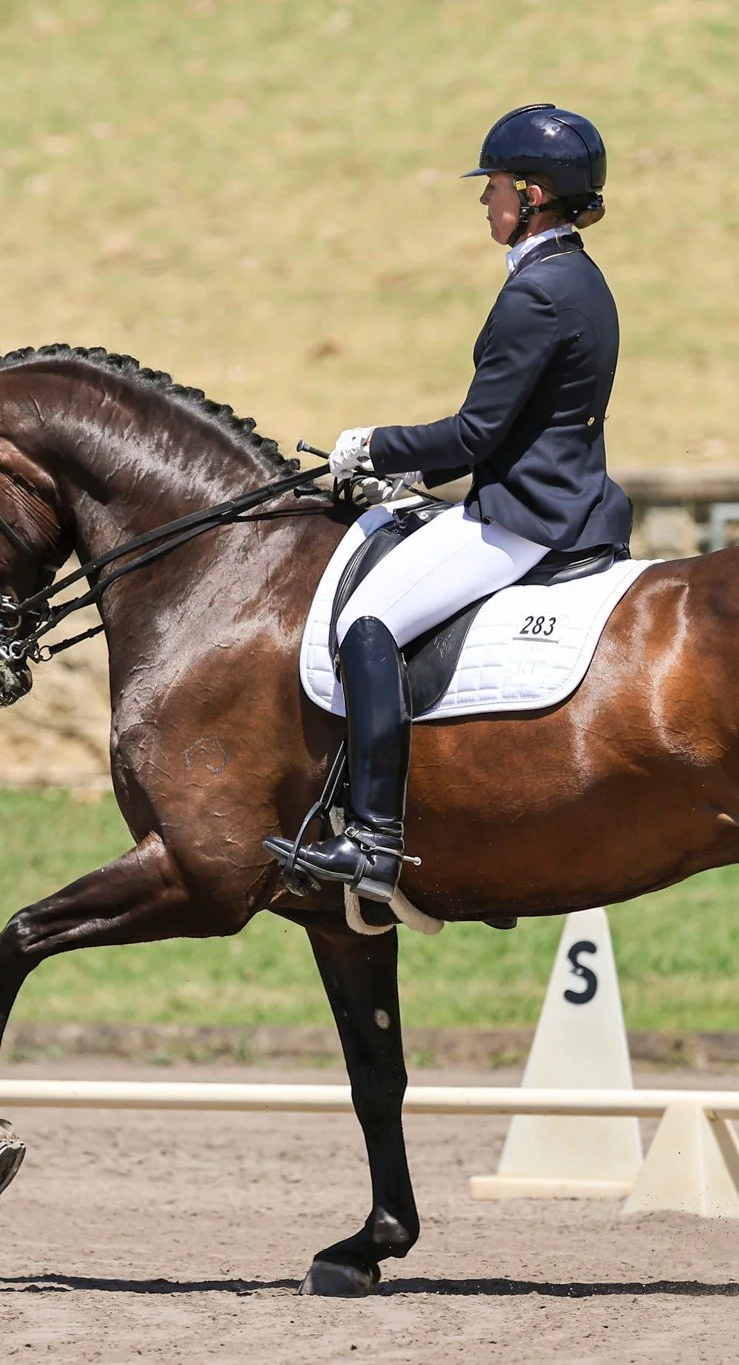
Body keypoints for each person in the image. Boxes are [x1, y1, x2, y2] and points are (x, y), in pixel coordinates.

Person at [270, 104, 633, 906]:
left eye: (495, 185)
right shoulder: (580, 278)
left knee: (368, 624)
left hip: (524, 519)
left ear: (533, 193)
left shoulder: (536, 294)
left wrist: (371, 446)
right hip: (568, 497)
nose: (485, 199)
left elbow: (475, 433)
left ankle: (372, 842)